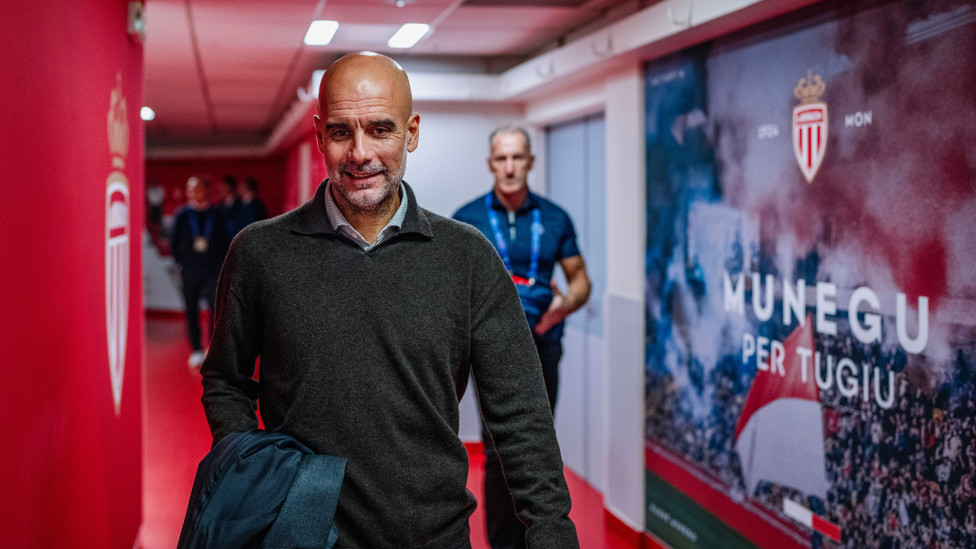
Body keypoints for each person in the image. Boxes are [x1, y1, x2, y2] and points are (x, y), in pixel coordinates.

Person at [199, 52, 579, 548]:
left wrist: (552, 534)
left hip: (433, 536)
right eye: (340, 132)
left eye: (381, 130)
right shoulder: (260, 253)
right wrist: (258, 478)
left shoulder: (468, 258)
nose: (360, 153)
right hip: (303, 536)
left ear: (412, 132)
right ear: (318, 136)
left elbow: (522, 414)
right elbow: (226, 380)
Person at [452, 126, 591, 549]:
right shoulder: (468, 218)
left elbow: (581, 281)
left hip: (542, 345)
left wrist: (564, 305)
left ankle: (541, 537)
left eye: (517, 158)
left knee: (537, 446)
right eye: (501, 159)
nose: (509, 167)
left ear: (530, 162)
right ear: (491, 164)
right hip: (489, 352)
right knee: (497, 451)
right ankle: (504, 544)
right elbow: (453, 286)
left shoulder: (555, 217)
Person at [170, 176, 230, 368]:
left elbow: (225, 241)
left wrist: (222, 264)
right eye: (189, 189)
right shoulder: (182, 215)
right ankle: (196, 349)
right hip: (190, 270)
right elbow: (174, 242)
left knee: (215, 309)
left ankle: (211, 348)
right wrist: (180, 263)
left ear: (205, 190)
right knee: (191, 309)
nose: (191, 193)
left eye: (195, 189)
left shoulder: (218, 214)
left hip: (213, 270)